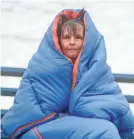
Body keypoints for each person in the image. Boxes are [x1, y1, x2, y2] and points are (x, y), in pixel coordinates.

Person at [1, 9, 134, 139]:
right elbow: (29, 104)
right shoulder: (44, 64)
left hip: (76, 129)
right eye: (66, 37)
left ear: (87, 42)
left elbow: (112, 101)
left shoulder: (96, 68)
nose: (72, 42)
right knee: (105, 131)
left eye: (78, 37)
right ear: (58, 40)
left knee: (106, 130)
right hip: (40, 128)